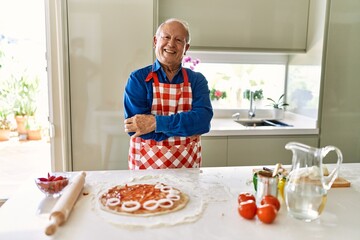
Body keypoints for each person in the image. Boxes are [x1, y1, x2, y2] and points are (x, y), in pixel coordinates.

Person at [123, 18, 213, 170]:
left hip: (187, 167)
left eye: (178, 40)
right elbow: (136, 128)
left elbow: (203, 122)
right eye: (166, 37)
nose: (171, 44)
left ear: (186, 48)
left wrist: (156, 123)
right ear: (155, 41)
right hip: (146, 167)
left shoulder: (197, 80)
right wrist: (185, 128)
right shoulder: (138, 79)